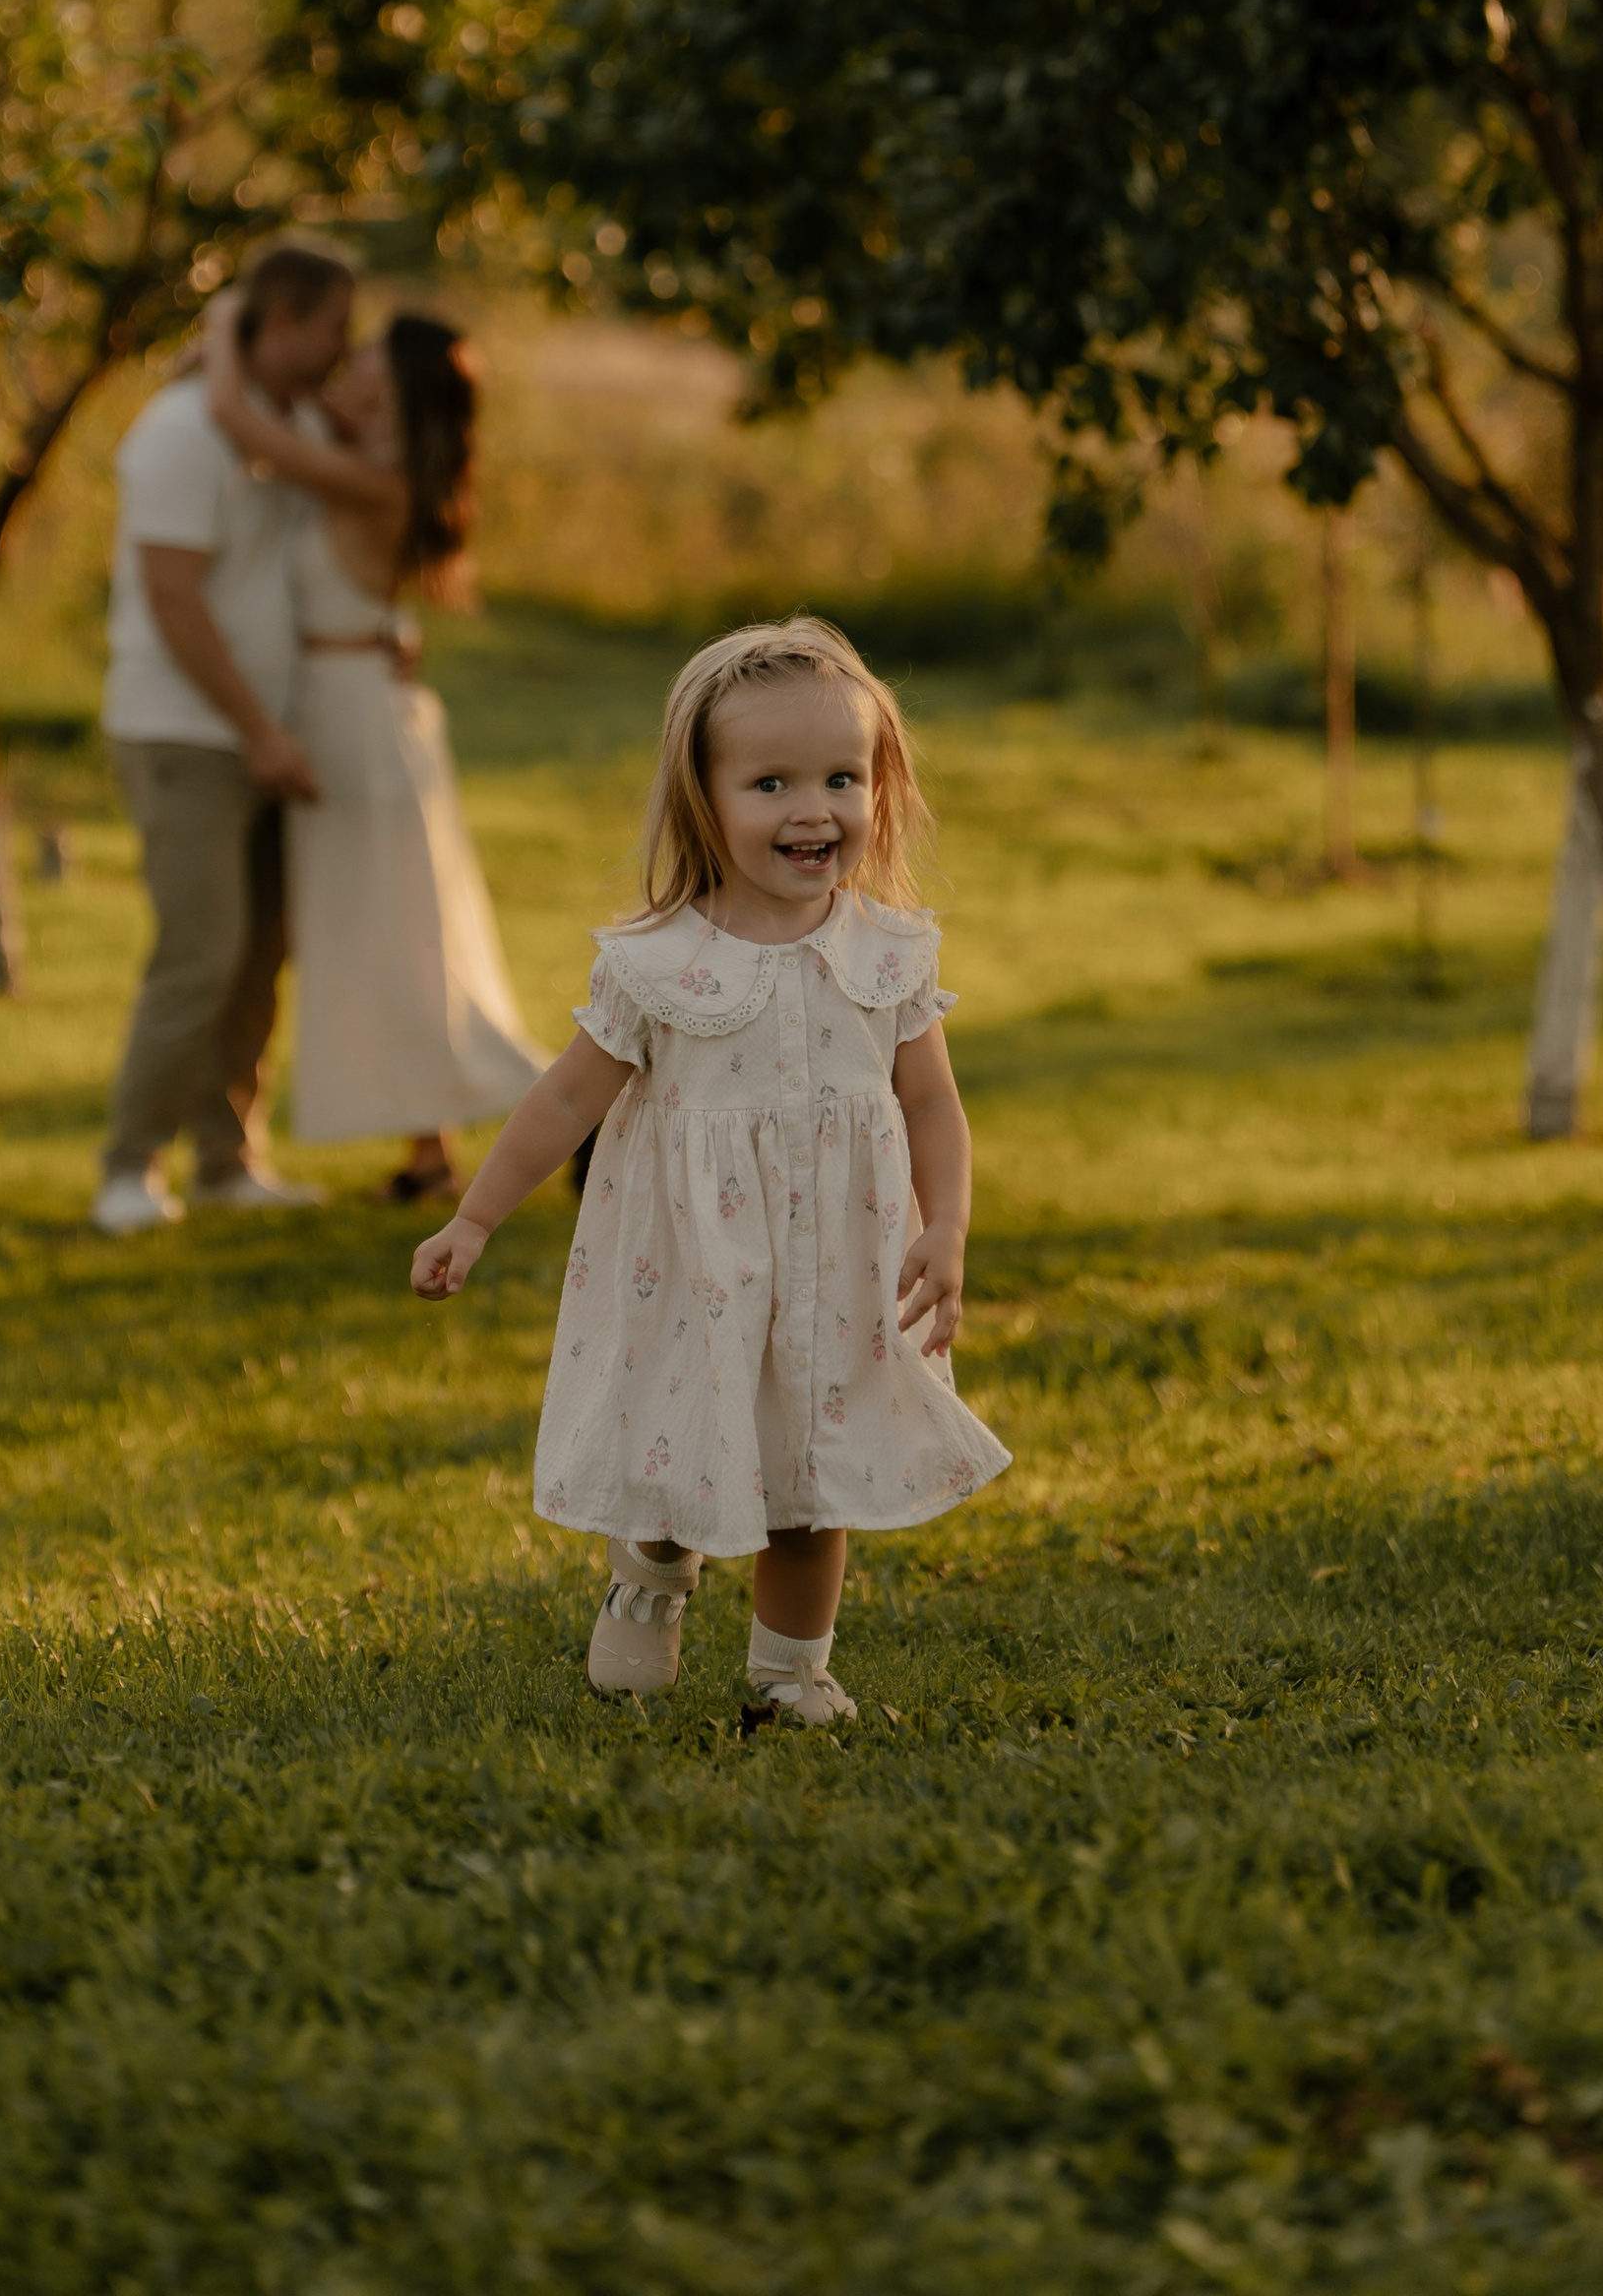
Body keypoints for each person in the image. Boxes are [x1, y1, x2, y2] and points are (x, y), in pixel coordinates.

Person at [408, 615, 1009, 1727]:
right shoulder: (661, 965)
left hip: (838, 1267)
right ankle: (651, 1564)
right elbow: (564, 1099)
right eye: (770, 783)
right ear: (706, 799)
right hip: (696, 1266)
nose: (811, 809)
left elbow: (930, 1102)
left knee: (812, 1471)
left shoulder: (887, 953)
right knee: (687, 1434)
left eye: (841, 777)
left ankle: (790, 1673)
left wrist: (947, 1224)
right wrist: (475, 1222)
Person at [201, 295, 543, 1201]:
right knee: (387, 941)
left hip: (352, 719)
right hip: (352, 702)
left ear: (394, 387)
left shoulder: (378, 480)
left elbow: (238, 419)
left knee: (384, 943)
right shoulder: (368, 463)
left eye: (365, 361)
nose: (346, 367)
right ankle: (431, 1154)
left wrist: (227, 323)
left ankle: (557, 1108)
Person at [92, 240, 354, 1235]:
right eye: (334, 326)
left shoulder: (276, 421)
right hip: (187, 731)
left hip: (271, 734)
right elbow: (171, 598)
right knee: (199, 953)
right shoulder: (177, 433)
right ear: (281, 321)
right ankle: (126, 1168)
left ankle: (227, 1159)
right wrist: (254, 729)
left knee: (258, 958)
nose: (345, 346)